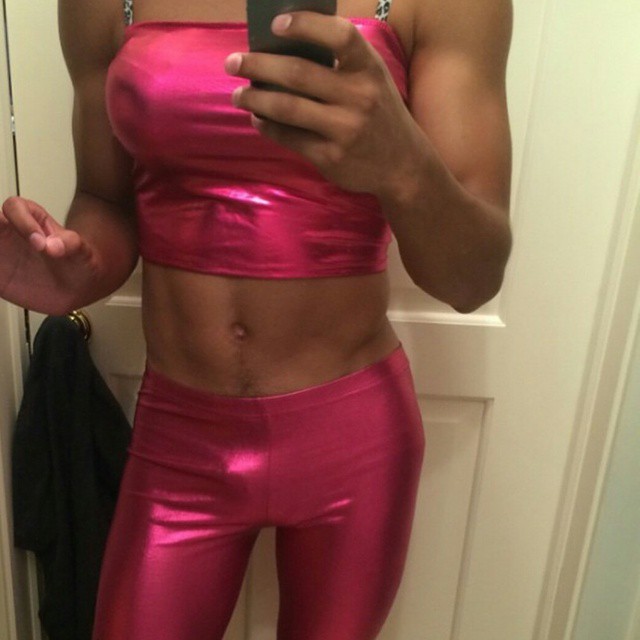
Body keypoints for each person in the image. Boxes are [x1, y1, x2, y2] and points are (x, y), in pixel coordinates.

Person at [0, 0, 513, 637]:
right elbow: (105, 200)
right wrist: (75, 268)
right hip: (178, 437)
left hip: (351, 441)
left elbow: (472, 279)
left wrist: (402, 162)